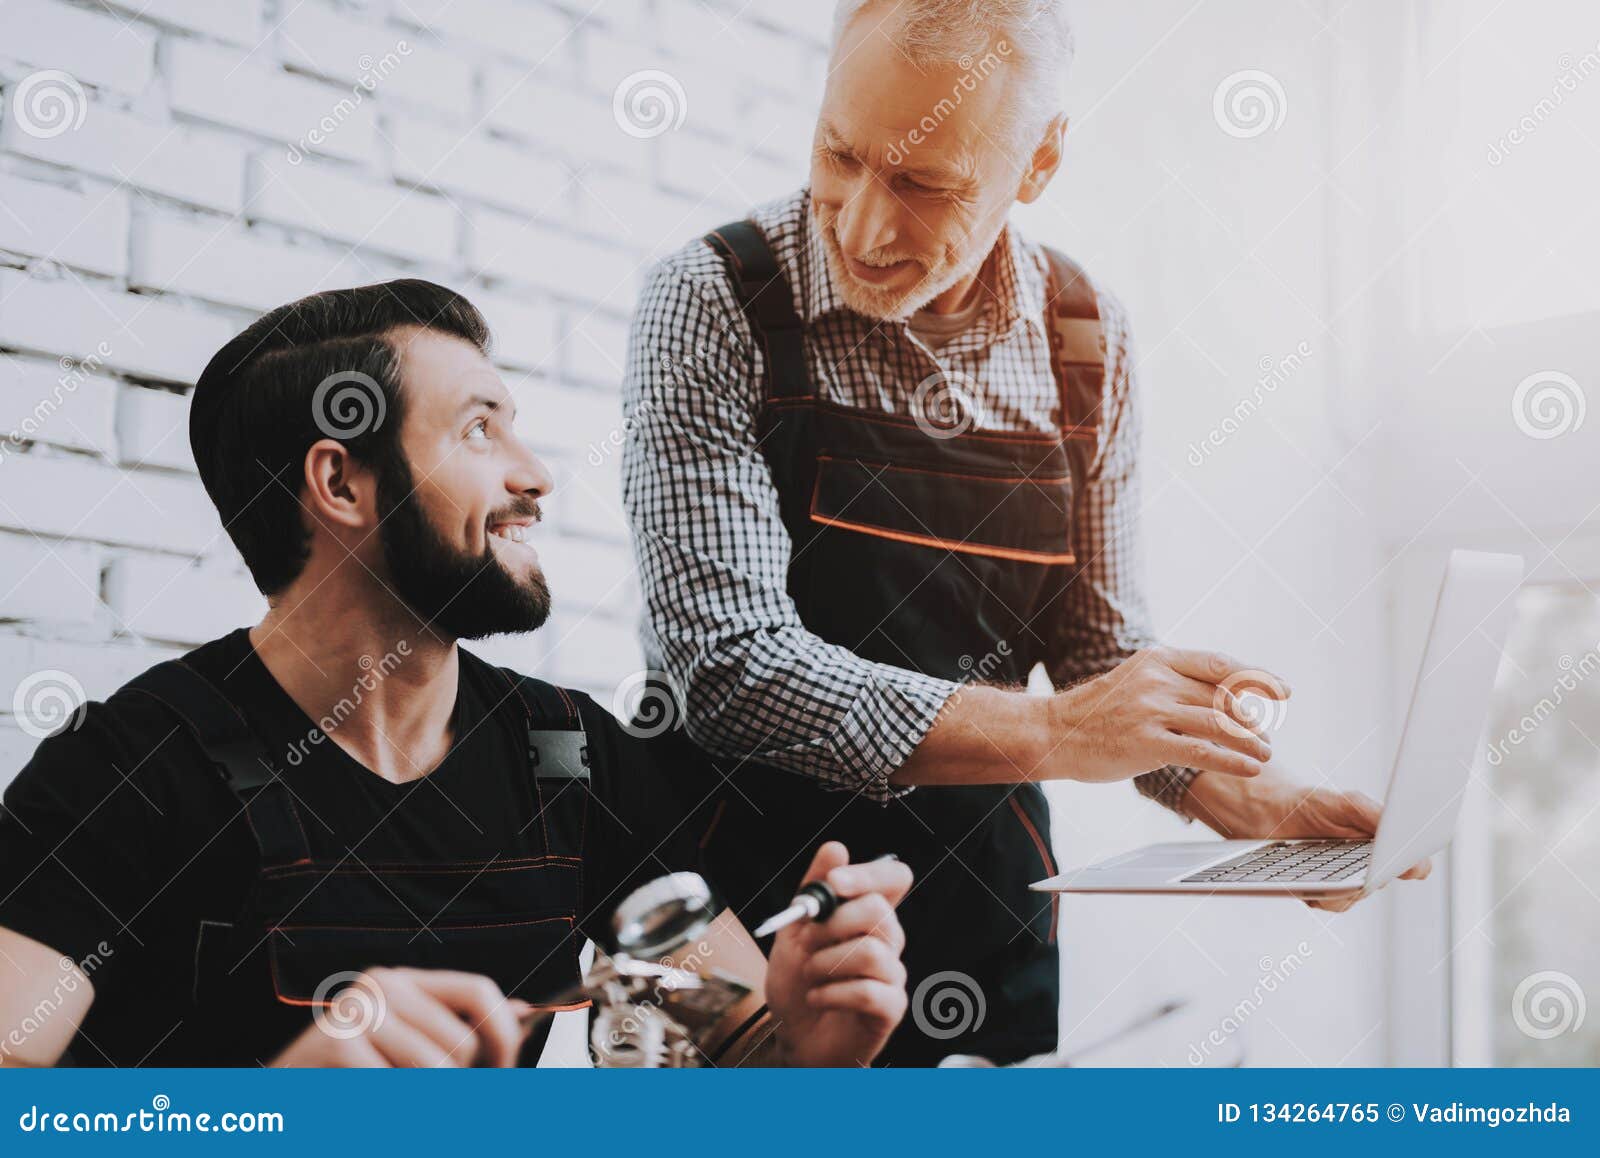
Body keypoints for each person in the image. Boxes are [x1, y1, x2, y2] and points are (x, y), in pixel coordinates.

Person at [621, 0, 1428, 1066]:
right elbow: (726, 670)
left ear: (1038, 161)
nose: (862, 226)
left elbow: (1096, 649)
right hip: (736, 922)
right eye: (839, 154)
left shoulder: (1085, 339)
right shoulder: (713, 299)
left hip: (981, 928)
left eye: (925, 184)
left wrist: (1250, 802)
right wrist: (1059, 734)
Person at [0, 280, 912, 1069]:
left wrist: (806, 1047)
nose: (537, 475)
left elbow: (734, 1040)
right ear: (342, 484)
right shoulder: (129, 769)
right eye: (481, 429)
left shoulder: (572, 753)